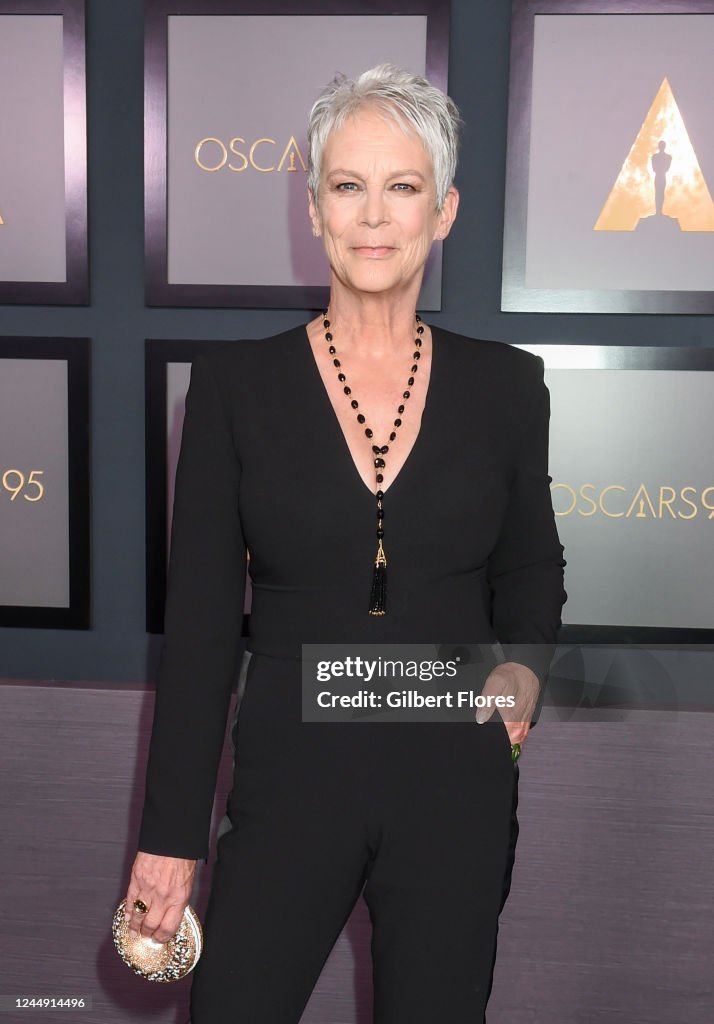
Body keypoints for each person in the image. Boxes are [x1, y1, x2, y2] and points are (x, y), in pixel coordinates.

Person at [124, 64, 566, 1023]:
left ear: (443, 212)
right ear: (315, 209)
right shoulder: (235, 390)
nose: (374, 216)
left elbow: (531, 561)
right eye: (347, 186)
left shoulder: (507, 388)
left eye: (402, 187)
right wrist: (169, 840)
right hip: (291, 783)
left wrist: (524, 672)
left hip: (454, 777)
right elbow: (200, 632)